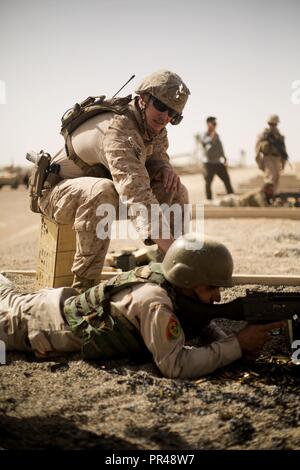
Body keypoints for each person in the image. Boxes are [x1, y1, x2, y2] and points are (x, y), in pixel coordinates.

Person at [0, 234, 284, 379]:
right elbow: (175, 366)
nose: (218, 297)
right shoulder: (154, 302)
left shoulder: (168, 277)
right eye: (211, 288)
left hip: (44, 303)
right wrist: (236, 345)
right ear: (188, 278)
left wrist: (234, 343)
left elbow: (197, 319)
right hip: (27, 325)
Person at [37, 70, 190, 291]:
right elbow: (134, 190)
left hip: (103, 199)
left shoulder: (155, 127)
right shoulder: (119, 129)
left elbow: (156, 155)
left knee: (176, 189)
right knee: (102, 190)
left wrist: (164, 167)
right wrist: (177, 250)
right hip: (56, 194)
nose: (166, 117)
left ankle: (169, 279)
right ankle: (83, 289)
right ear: (143, 99)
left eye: (174, 115)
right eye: (161, 106)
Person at [200, 116, 234, 200]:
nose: (215, 125)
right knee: (208, 183)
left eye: (215, 123)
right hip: (209, 164)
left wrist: (224, 157)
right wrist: (212, 136)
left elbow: (220, 147)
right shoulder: (205, 135)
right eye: (213, 123)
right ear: (208, 124)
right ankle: (209, 200)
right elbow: (204, 143)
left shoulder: (217, 135)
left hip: (218, 163)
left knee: (227, 180)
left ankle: (232, 198)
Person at [255, 115, 289, 195]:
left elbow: (283, 150)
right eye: (271, 124)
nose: (272, 126)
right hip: (268, 158)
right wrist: (259, 162)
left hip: (277, 158)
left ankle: (273, 195)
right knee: (270, 177)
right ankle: (266, 195)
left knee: (276, 177)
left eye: (274, 124)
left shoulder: (279, 136)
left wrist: (283, 163)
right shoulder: (264, 134)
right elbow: (257, 148)